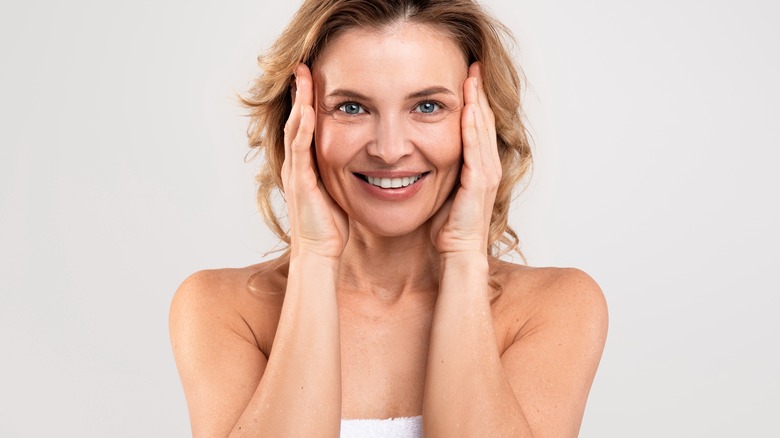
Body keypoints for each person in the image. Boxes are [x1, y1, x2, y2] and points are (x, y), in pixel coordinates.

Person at [169, 0, 608, 436]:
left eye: (428, 106)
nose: (390, 149)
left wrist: (462, 256)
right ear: (299, 121)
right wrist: (314, 256)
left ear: (482, 121)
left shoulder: (554, 306)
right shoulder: (222, 308)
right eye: (352, 108)